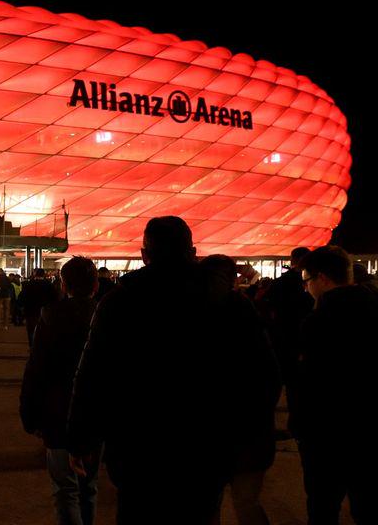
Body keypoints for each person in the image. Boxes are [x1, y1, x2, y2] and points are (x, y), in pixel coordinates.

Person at [67, 216, 280, 523]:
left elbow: (92, 376)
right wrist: (238, 432)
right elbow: (266, 377)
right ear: (192, 252)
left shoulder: (118, 303)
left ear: (144, 255)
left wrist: (80, 438)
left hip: (138, 450)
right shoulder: (231, 303)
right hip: (207, 448)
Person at [294, 246, 378, 523]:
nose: (306, 288)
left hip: (326, 433)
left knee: (322, 506)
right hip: (368, 430)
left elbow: (309, 383)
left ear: (322, 279)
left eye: (306, 280)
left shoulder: (318, 322)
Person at [20, 257, 101, 525]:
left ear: (63, 285)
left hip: (57, 410)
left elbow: (36, 369)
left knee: (65, 489)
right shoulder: (104, 314)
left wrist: (30, 414)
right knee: (89, 486)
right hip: (94, 411)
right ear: (96, 285)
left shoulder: (51, 316)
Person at [201, 255, 281, 525]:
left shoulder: (190, 316)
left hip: (208, 434)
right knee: (246, 502)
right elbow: (270, 377)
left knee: (207, 506)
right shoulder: (248, 316)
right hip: (250, 432)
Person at [259, 246, 313, 435]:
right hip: (305, 336)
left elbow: (269, 305)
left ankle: (291, 421)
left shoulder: (282, 282)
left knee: (288, 381)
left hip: (284, 336)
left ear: (293, 260)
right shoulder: (311, 282)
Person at [18, 268, 59, 348]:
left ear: (34, 274)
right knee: (44, 330)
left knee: (31, 330)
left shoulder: (28, 284)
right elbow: (54, 298)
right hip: (45, 311)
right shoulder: (49, 285)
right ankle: (42, 347)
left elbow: (21, 297)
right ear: (43, 275)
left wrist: (21, 307)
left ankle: (32, 346)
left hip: (31, 311)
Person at [0, 268, 13, 335]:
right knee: (6, 311)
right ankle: (6, 325)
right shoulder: (7, 278)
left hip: (0, 296)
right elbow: (10, 286)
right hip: (7, 296)